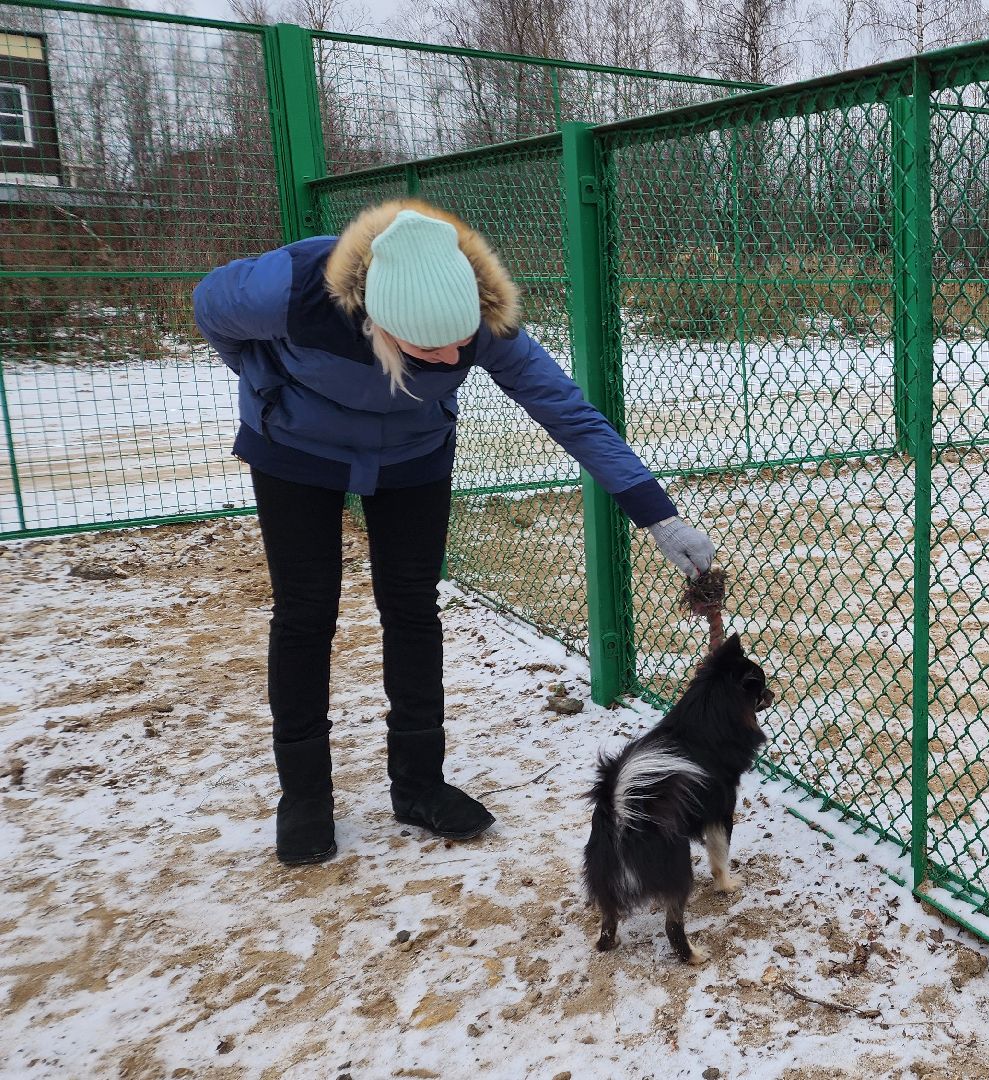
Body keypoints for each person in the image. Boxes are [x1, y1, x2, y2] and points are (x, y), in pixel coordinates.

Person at [193, 199, 716, 866]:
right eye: (425, 345)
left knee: (412, 608)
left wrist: (657, 514)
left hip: (413, 455)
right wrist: (268, 386)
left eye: (457, 344)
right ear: (374, 316)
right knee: (305, 612)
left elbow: (567, 411)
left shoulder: (484, 324)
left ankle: (418, 785)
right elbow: (212, 312)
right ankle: (305, 798)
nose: (448, 355)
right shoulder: (291, 288)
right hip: (296, 447)